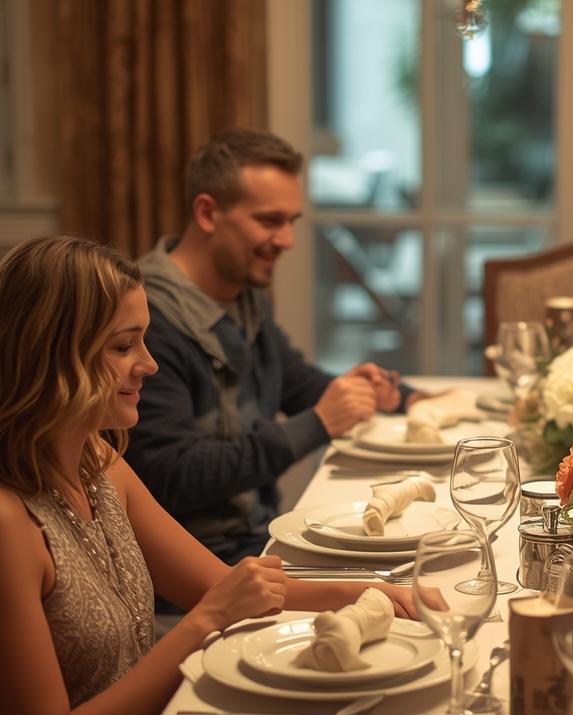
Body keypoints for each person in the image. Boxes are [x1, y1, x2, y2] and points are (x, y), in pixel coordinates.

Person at [0, 236, 423, 715]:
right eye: (123, 345)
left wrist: (367, 593)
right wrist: (203, 626)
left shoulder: (95, 463)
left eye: (145, 340)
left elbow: (220, 587)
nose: (150, 366)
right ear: (51, 354)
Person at [127, 129, 414, 563]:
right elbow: (171, 475)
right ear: (207, 213)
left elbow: (295, 381)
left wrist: (403, 396)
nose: (287, 241)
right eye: (269, 221)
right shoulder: (147, 319)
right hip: (200, 568)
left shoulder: (242, 292)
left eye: (291, 222)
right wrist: (318, 422)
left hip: (256, 543)